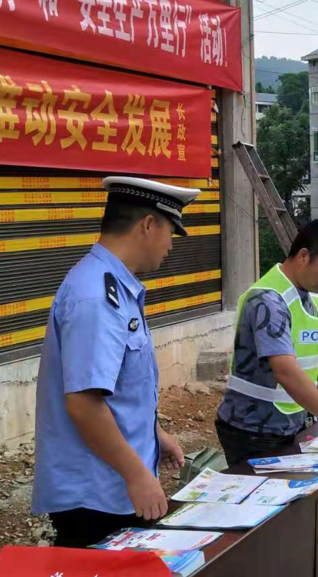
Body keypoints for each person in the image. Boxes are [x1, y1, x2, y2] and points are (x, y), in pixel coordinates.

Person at [30, 177, 198, 548]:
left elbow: (117, 388)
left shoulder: (114, 288)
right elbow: (84, 403)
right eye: (171, 231)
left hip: (111, 483)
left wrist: (154, 436)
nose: (171, 245)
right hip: (97, 494)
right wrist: (137, 474)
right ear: (148, 225)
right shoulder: (96, 297)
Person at [215, 218, 318, 466]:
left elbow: (315, 348)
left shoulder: (310, 296)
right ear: (303, 255)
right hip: (253, 428)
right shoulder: (268, 300)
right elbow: (285, 370)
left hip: (289, 421)